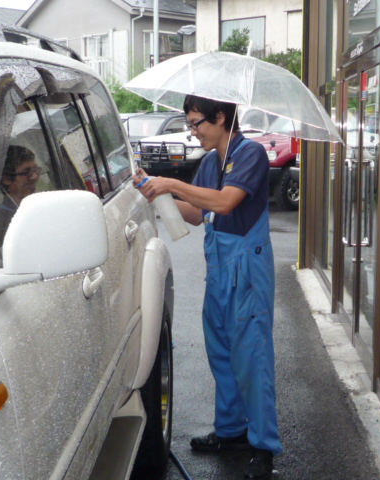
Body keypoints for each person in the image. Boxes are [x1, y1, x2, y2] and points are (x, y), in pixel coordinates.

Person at [133, 95, 282, 480]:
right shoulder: (210, 161)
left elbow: (226, 202)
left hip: (247, 269)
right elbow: (199, 215)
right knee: (221, 351)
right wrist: (154, 193)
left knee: (252, 357)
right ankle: (231, 430)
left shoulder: (250, 154)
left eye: (197, 122)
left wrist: (171, 182)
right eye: (190, 123)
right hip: (218, 268)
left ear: (221, 118)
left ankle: (264, 447)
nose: (192, 130)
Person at [0, 145, 41, 244]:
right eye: (27, 172)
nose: (34, 176)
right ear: (7, 179)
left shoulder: (41, 203)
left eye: (36, 170)